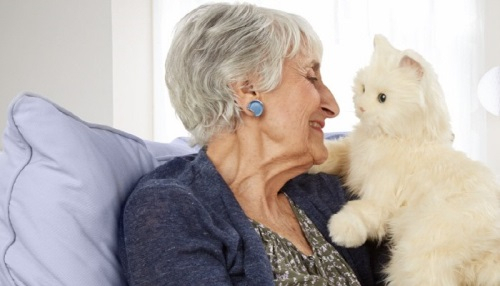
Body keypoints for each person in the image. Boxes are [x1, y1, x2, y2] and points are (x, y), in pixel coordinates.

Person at [118, 2, 380, 285]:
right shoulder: (173, 206)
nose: (333, 106)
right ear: (247, 89)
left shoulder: (328, 192)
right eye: (311, 77)